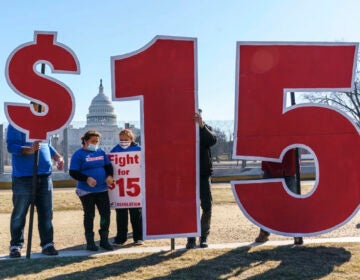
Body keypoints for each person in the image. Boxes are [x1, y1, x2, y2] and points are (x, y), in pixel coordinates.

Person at [7, 102, 65, 258]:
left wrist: (57, 157)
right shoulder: (16, 124)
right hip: (23, 177)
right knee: (19, 213)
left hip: (45, 176)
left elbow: (48, 146)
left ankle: (48, 244)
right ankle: (16, 246)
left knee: (46, 213)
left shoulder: (44, 125)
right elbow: (11, 147)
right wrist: (29, 149)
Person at [69, 130, 114, 251]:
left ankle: (104, 240)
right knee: (89, 215)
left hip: (102, 189)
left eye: (97, 141)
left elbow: (108, 166)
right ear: (85, 141)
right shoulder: (78, 154)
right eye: (93, 141)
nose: (95, 144)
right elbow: (73, 172)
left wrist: (110, 175)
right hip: (86, 191)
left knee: (105, 214)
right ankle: (90, 242)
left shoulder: (100, 151)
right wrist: (86, 178)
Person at [255, 149, 304, 245]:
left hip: (289, 169)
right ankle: (264, 232)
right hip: (271, 168)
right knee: (267, 204)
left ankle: (297, 233)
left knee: (294, 204)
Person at [186, 109, 217, 249]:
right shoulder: (184, 129)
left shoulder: (206, 128)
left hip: (203, 174)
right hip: (187, 174)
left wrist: (201, 125)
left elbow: (212, 140)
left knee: (207, 206)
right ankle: (190, 238)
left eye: (198, 113)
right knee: (190, 207)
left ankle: (203, 237)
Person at [110, 128, 144, 246]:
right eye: (121, 139)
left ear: (131, 139)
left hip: (135, 188)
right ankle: (121, 238)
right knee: (121, 216)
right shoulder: (115, 150)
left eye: (126, 139)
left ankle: (138, 237)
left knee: (136, 215)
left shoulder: (139, 150)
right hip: (121, 189)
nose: (123, 141)